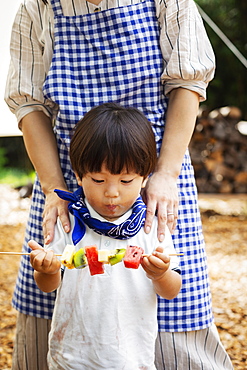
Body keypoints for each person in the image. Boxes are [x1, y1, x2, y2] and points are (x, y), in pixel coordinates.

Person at [4, 0, 233, 369]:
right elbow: (28, 104)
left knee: (176, 329)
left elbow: (187, 82)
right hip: (67, 178)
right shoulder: (38, 7)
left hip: (156, 173)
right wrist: (53, 188)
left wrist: (164, 173)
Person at [29, 102, 182, 369]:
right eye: (99, 181)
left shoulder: (150, 227)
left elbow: (171, 291)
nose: (112, 193)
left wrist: (160, 274)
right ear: (78, 175)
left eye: (125, 181)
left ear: (144, 178)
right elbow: (48, 285)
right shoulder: (68, 221)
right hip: (70, 356)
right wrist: (46, 269)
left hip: (132, 359)